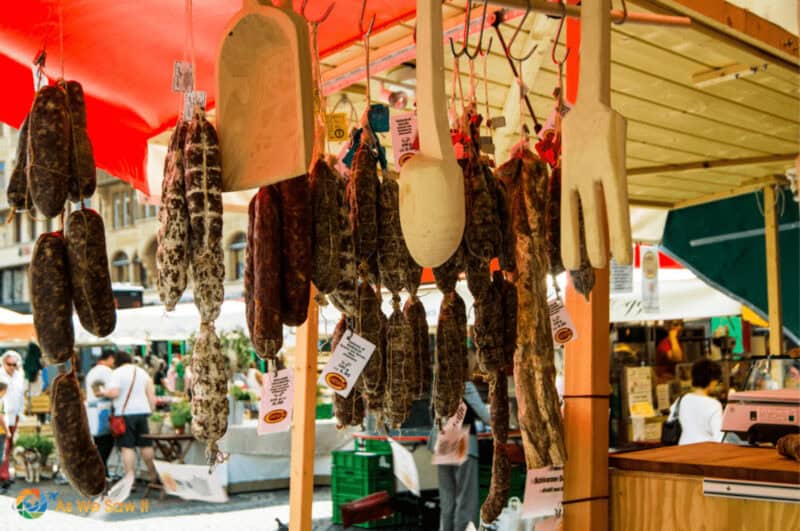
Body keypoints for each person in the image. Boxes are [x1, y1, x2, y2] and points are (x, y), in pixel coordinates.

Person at [433, 378, 491, 531]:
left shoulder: (440, 381)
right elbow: (487, 416)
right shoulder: (464, 384)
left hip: (444, 440)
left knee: (447, 503)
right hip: (462, 442)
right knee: (466, 502)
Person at [103, 351, 158, 485]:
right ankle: (153, 476)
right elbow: (151, 394)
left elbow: (114, 392)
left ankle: (130, 480)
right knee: (146, 445)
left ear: (117, 361)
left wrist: (104, 392)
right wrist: (151, 410)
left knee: (127, 447)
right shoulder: (142, 372)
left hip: (125, 414)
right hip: (142, 412)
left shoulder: (117, 373)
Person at [669, 359, 724, 445]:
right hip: (704, 452)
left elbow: (670, 422)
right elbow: (719, 437)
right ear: (712, 380)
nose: (717, 383)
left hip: (682, 449)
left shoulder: (681, 400)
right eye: (717, 380)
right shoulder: (714, 405)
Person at [85, 350, 116, 476]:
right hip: (104, 409)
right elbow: (112, 390)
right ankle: (101, 471)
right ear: (109, 358)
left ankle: (101, 471)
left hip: (93, 410)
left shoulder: (92, 371)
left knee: (99, 442)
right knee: (106, 442)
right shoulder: (107, 371)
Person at [0, 350, 24, 490]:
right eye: (10, 364)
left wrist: (21, 413)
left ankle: (5, 474)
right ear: (4, 362)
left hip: (14, 415)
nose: (12, 367)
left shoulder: (19, 375)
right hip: (2, 415)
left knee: (8, 447)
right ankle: (3, 476)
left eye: (15, 364)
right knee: (3, 447)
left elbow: (20, 395)